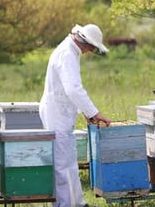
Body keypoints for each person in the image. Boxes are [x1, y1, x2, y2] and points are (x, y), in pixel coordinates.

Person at [39, 23, 112, 207]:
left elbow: (68, 89)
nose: (90, 51)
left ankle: (76, 202)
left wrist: (85, 112)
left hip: (60, 113)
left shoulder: (70, 50)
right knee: (63, 165)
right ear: (85, 43)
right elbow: (73, 89)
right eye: (91, 48)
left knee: (69, 162)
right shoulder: (67, 54)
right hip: (57, 114)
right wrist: (94, 113)